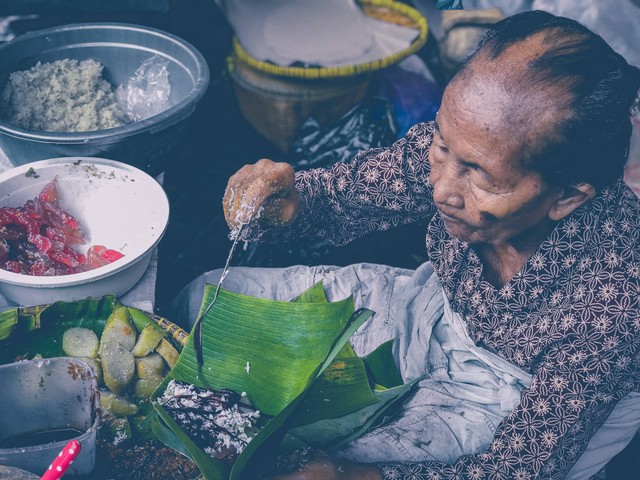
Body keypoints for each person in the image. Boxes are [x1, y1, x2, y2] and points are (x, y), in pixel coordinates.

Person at [171, 10, 640, 480]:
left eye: (480, 177)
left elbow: (514, 469)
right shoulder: (468, 143)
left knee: (297, 452)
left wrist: (348, 476)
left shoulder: (615, 301)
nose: (442, 189)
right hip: (437, 314)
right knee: (200, 301)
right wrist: (287, 203)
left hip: (513, 396)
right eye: (440, 145)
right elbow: (343, 197)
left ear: (566, 196)